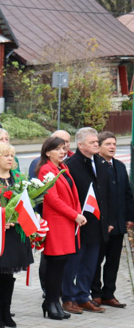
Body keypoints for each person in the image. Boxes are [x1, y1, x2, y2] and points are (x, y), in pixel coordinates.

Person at [0, 142, 33, 328]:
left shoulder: (18, 178)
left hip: (16, 232)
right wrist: (1, 218)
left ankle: (6, 310)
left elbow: (27, 200)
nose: (10, 158)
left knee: (10, 273)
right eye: (6, 155)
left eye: (12, 155)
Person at [61, 128, 111, 314]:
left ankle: (83, 296)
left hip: (98, 222)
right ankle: (68, 297)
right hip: (78, 222)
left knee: (90, 263)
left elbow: (106, 195)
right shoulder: (70, 165)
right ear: (80, 145)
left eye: (97, 141)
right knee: (73, 262)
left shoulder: (101, 162)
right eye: (92, 142)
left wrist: (108, 220)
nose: (96, 145)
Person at [38, 136, 84, 319]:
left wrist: (77, 212)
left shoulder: (63, 168)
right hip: (57, 223)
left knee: (62, 264)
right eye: (57, 149)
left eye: (63, 148)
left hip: (68, 222)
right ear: (48, 152)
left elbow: (73, 194)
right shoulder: (45, 170)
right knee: (55, 264)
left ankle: (54, 302)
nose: (62, 152)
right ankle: (50, 302)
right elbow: (53, 199)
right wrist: (75, 215)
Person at [91, 132, 134, 308]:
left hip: (119, 222)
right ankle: (96, 293)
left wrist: (130, 217)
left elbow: (127, 193)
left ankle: (109, 293)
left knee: (114, 260)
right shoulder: (96, 167)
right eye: (108, 144)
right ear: (99, 146)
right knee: (97, 259)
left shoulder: (119, 166)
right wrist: (104, 220)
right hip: (102, 224)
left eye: (114, 144)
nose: (112, 147)